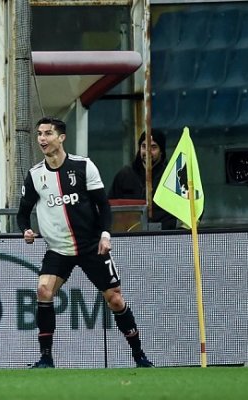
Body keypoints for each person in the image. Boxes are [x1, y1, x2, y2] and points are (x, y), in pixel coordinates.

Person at [17, 116, 154, 369]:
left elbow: (103, 204)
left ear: (61, 137)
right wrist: (26, 229)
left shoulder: (83, 166)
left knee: (114, 299)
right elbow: (22, 212)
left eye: (47, 133)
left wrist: (105, 234)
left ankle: (139, 356)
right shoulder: (35, 175)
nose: (42, 139)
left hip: (91, 245)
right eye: (39, 134)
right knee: (43, 291)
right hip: (58, 249)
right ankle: (46, 358)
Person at [108, 129, 177, 230]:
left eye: (153, 147)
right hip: (129, 236)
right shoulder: (124, 175)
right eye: (144, 146)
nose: (148, 152)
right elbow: (109, 208)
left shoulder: (172, 177)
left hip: (164, 238)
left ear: (161, 151)